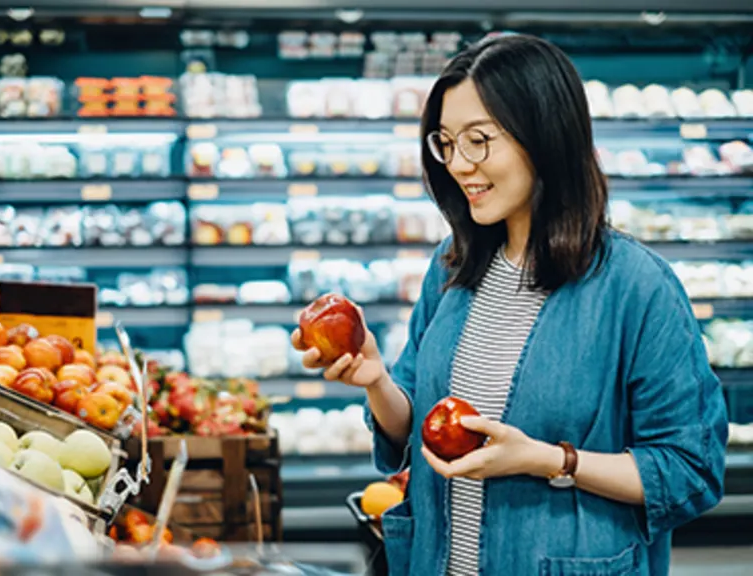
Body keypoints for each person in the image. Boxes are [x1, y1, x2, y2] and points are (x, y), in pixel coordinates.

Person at [291, 34, 727, 576]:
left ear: (545, 135)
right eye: (445, 143)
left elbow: (690, 469)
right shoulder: (452, 268)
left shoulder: (637, 288)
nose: (458, 164)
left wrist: (547, 460)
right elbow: (408, 432)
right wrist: (377, 380)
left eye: (479, 140)